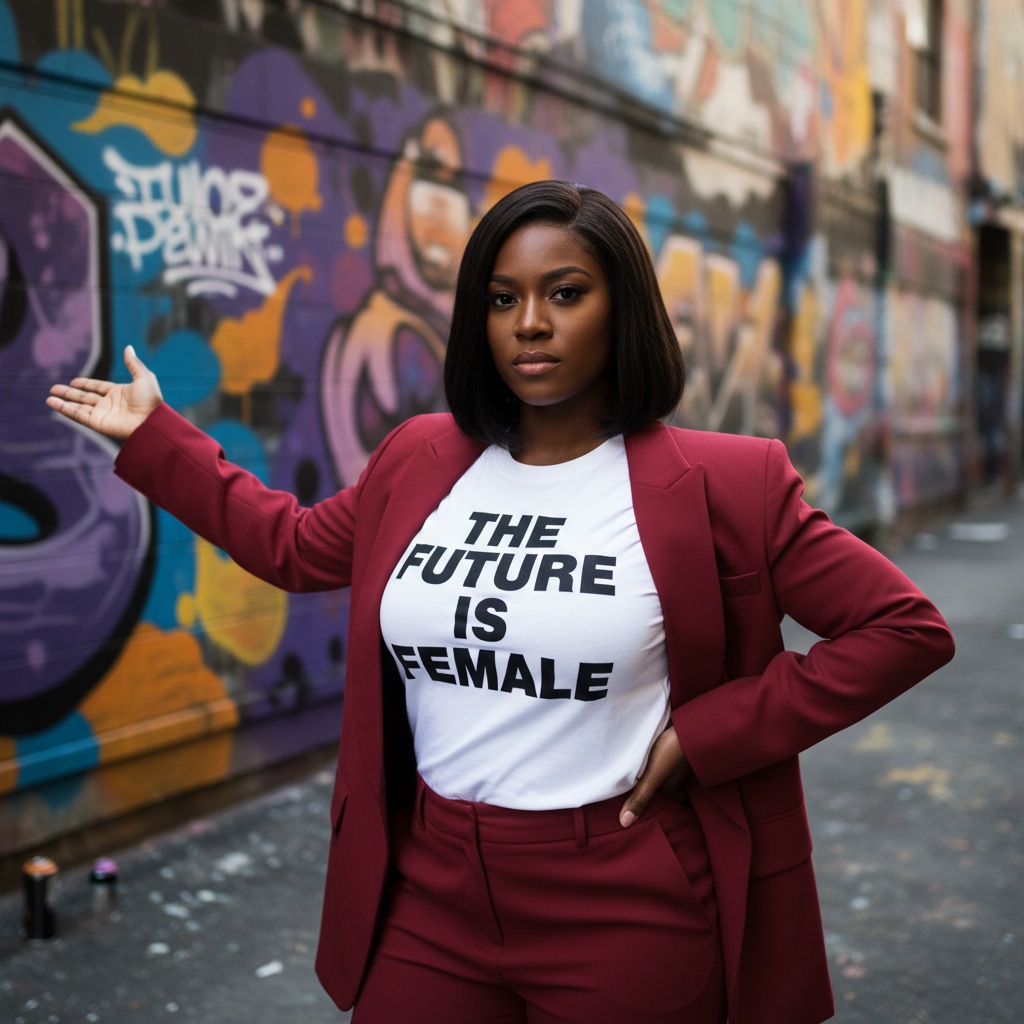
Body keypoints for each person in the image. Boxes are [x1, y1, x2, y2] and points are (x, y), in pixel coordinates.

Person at [47, 180, 954, 1024]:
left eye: (565, 294)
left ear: (621, 308)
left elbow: (902, 629)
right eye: (501, 298)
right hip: (431, 885)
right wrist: (156, 440)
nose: (530, 324)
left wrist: (711, 734)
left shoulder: (726, 481)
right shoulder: (421, 458)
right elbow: (290, 547)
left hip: (624, 892)